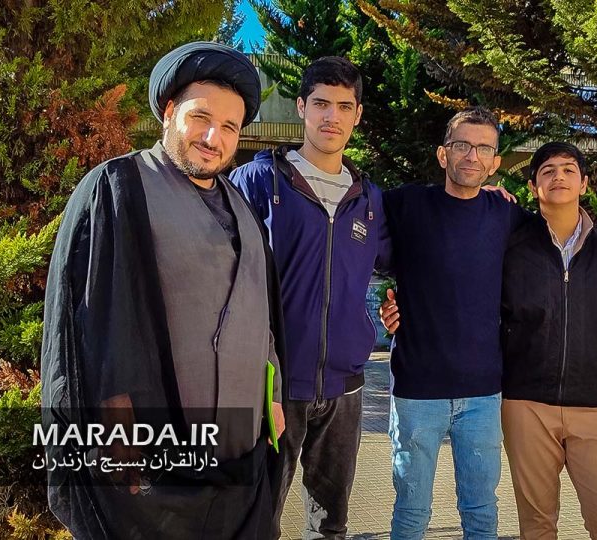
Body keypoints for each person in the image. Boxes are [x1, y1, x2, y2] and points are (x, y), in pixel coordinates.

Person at [40, 41, 285, 539]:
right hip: (156, 470)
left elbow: (260, 315)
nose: (214, 138)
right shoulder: (118, 187)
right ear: (170, 112)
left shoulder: (242, 205)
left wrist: (274, 396)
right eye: (201, 118)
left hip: (240, 459)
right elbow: (90, 326)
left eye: (230, 127)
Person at [229, 56, 390, 540]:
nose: (331, 117)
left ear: (358, 114)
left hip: (347, 387)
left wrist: (485, 195)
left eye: (344, 106)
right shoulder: (258, 181)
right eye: (321, 103)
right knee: (258, 519)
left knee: (331, 526)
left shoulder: (369, 199)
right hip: (275, 384)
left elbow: (404, 262)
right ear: (301, 107)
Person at [379, 106, 528, 540]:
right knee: (411, 512)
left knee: (481, 512)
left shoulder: (506, 214)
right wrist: (381, 309)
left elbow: (559, 244)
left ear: (495, 162)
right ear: (443, 154)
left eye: (484, 148)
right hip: (416, 390)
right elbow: (352, 244)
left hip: (483, 393)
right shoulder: (405, 203)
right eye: (462, 145)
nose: (472, 156)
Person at [500, 142, 597, 540]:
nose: (558, 176)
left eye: (568, 170)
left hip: (595, 404)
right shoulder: (511, 247)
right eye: (547, 171)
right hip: (526, 404)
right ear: (533, 187)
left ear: (584, 183)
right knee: (537, 526)